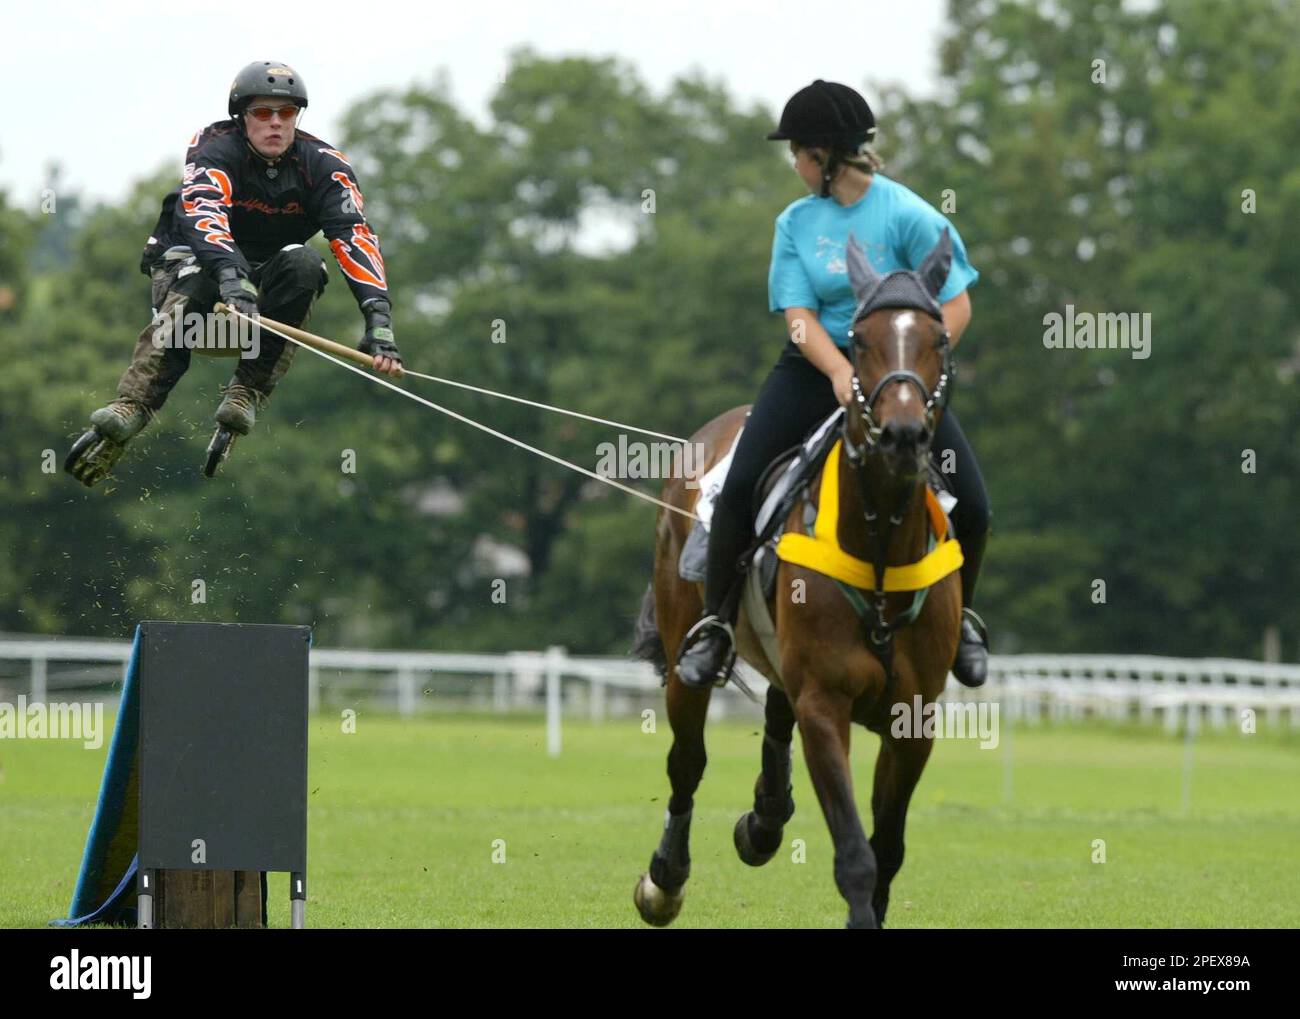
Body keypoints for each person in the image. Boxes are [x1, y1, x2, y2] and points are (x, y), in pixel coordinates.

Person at [675, 80, 992, 689]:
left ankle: (964, 620)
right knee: (739, 486)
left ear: (822, 157)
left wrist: (915, 379)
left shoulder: (908, 214)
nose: (792, 163)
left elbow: (957, 306)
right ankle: (715, 626)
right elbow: (799, 318)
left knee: (974, 504)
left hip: (898, 381)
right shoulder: (794, 223)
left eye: (795, 151)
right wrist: (841, 371)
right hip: (814, 370)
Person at [67, 60, 402, 485]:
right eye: (263, 113)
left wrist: (378, 318)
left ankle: (247, 390)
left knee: (305, 263)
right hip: (189, 278)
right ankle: (133, 406)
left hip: (255, 305)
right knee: (200, 274)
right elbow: (205, 216)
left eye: (286, 114)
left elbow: (354, 235)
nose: (275, 124)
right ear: (242, 117)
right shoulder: (214, 146)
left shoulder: (325, 165)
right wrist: (230, 275)